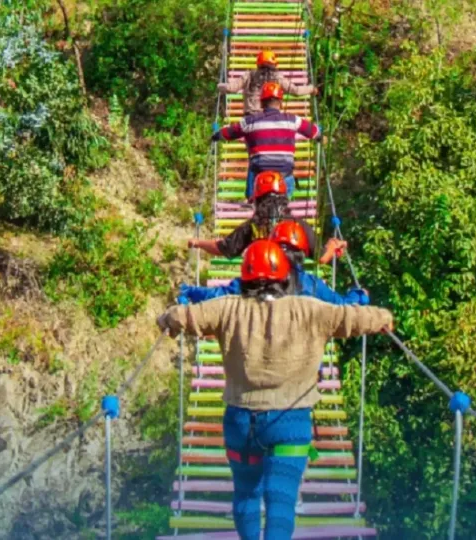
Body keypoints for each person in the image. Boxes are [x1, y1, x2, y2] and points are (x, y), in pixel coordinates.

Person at [157, 239, 393, 540]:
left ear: (245, 277)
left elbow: (182, 316)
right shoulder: (311, 309)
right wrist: (384, 319)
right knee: (281, 504)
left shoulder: (226, 308)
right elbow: (353, 317)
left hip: (241, 424)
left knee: (245, 496)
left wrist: (165, 319)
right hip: (290, 424)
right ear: (285, 277)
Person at [180, 220, 368, 306]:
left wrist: (189, 292)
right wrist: (358, 295)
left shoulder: (254, 280)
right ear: (302, 253)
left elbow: (217, 295)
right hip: (303, 373)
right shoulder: (311, 285)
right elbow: (343, 306)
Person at [188, 170, 346, 263]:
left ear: (257, 199)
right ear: (285, 197)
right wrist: (333, 246)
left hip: (258, 287)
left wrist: (198, 242)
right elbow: (322, 258)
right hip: (293, 288)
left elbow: (223, 248)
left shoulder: (253, 226)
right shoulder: (300, 226)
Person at [212, 81, 321, 201]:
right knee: (284, 205)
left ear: (261, 102)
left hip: (260, 176)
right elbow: (314, 132)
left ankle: (252, 202)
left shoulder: (249, 121)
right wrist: (319, 136)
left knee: (254, 192)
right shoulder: (293, 120)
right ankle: (283, 212)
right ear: (280, 102)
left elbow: (228, 133)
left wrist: (217, 135)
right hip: (284, 176)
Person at [218, 49, 317, 116]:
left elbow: (231, 88)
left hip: (250, 115)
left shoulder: (249, 75)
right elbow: (296, 91)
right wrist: (311, 88)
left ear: (258, 63)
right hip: (269, 115)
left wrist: (218, 86)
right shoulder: (277, 77)